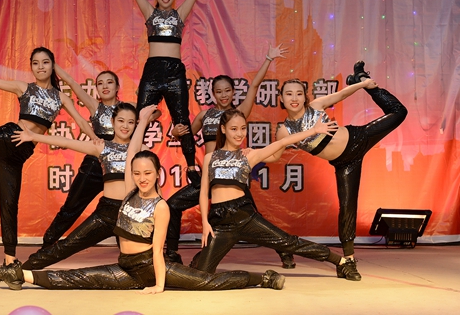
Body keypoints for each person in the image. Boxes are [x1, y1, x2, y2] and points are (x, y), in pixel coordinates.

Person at [0, 114, 286, 292]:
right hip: (126, 266)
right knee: (78, 277)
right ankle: (19, 273)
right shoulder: (129, 188)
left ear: (157, 174)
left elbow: (157, 250)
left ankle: (262, 278)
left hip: (151, 267)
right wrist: (33, 135)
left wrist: (158, 285)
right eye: (137, 174)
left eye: (148, 174)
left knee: (208, 282)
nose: (142, 178)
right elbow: (129, 156)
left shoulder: (161, 206)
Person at [0, 47, 96, 271]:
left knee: (9, 204)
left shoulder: (60, 97)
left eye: (45, 62)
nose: (40, 67)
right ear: (31, 67)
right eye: (35, 63)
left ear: (53, 66)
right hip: (8, 139)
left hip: (19, 155)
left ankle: (9, 260)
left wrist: (96, 141)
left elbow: (80, 121)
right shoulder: (24, 88)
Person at [269, 61, 408, 280]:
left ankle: (363, 79)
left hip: (359, 137)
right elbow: (274, 156)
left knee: (399, 112)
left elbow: (342, 95)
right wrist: (250, 156)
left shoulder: (316, 106)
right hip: (345, 163)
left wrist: (363, 85)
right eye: (288, 94)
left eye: (298, 93)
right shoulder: (284, 130)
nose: (294, 98)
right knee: (347, 208)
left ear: (305, 97)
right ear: (281, 98)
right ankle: (348, 261)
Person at [166, 44, 294, 268]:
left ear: (233, 92)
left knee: (254, 218)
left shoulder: (238, 113)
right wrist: (175, 132)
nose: (223, 95)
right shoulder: (205, 115)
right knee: (172, 204)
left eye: (227, 91)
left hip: (234, 175)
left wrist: (268, 58)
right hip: (209, 177)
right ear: (213, 93)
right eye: (219, 91)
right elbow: (185, 136)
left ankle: (284, 249)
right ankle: (171, 253)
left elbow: (254, 86)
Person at [191, 108, 357, 280]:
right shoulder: (210, 157)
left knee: (289, 242)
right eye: (234, 129)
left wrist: (314, 130)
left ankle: (341, 262)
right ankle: (259, 278)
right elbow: (204, 192)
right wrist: (205, 222)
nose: (239, 134)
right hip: (219, 220)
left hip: (244, 216)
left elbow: (282, 142)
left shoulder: (249, 155)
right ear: (223, 129)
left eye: (243, 128)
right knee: (202, 276)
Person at [104, 0, 225, 174]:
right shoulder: (150, 14)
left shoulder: (180, 15)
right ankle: (130, 163)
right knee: (140, 118)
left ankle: (191, 168)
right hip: (153, 70)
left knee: (182, 120)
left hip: (174, 73)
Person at [6, 103, 153, 272]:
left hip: (131, 213)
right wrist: (33, 136)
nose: (125, 126)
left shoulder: (142, 150)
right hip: (106, 213)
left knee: (140, 260)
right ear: (112, 122)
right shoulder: (102, 146)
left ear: (136, 125)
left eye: (130, 122)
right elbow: (67, 142)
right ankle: (18, 271)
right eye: (121, 121)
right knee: (67, 245)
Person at [40, 67, 122, 248]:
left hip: (120, 167)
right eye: (100, 83)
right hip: (94, 164)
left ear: (117, 87)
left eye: (109, 82)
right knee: (71, 207)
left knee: (123, 211)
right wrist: (52, 64)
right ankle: (46, 246)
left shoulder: (127, 108)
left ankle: (128, 253)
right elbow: (71, 81)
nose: (105, 86)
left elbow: (153, 112)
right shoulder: (95, 106)